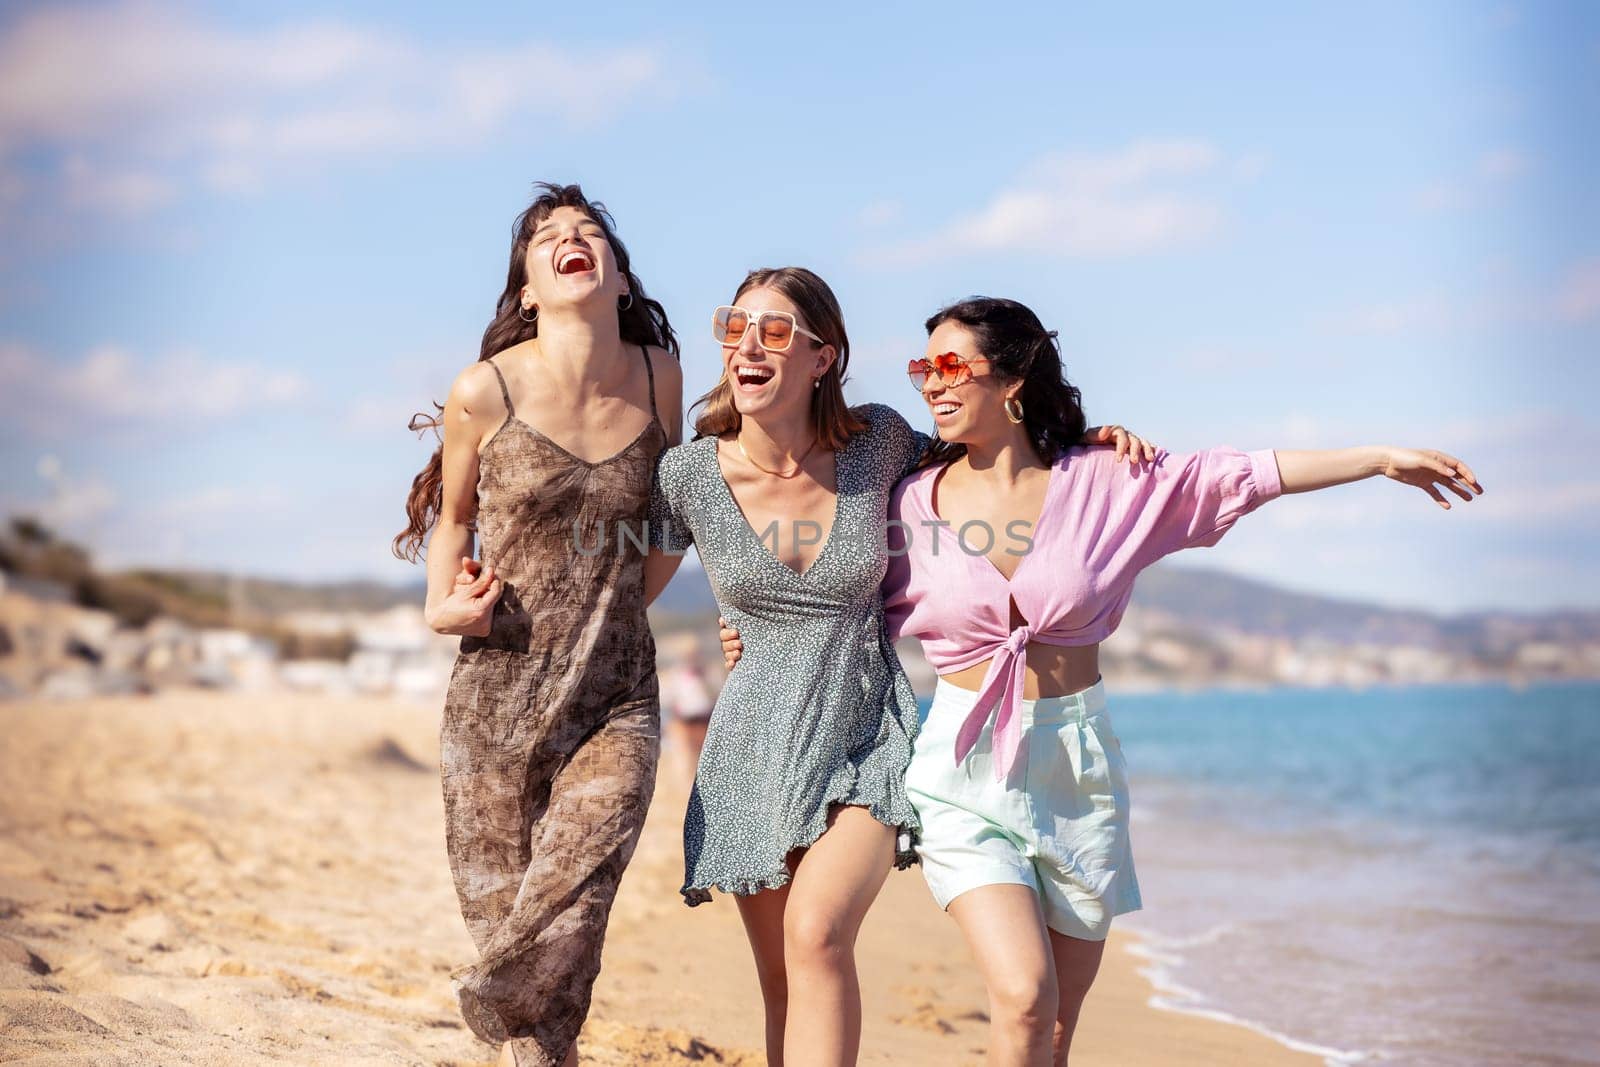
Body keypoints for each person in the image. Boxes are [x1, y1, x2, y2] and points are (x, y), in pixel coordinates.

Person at [877, 296, 1482, 1065]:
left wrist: (1376, 458)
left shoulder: (1107, 479)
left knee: (1056, 1028)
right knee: (1026, 996)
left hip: (1078, 764)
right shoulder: (907, 503)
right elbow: (829, 585)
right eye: (923, 366)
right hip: (962, 771)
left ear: (1014, 377)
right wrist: (743, 623)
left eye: (952, 363)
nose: (931, 381)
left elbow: (1240, 476)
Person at [648, 269, 1149, 1067]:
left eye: (774, 330)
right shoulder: (690, 476)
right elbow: (629, 590)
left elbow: (989, 459)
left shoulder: (878, 442)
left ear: (823, 357)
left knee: (819, 932)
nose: (747, 344)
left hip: (866, 737)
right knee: (783, 978)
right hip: (750, 745)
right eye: (734, 325)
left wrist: (1084, 446)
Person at [393, 183, 683, 1067]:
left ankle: (505, 1020)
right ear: (527, 287)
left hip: (616, 693)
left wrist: (619, 604)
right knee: (510, 916)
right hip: (496, 695)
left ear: (621, 281)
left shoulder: (659, 377)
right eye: (550, 236)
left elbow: (670, 522)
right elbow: (453, 520)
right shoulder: (482, 389)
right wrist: (442, 606)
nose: (572, 240)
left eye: (591, 232)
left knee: (576, 895)